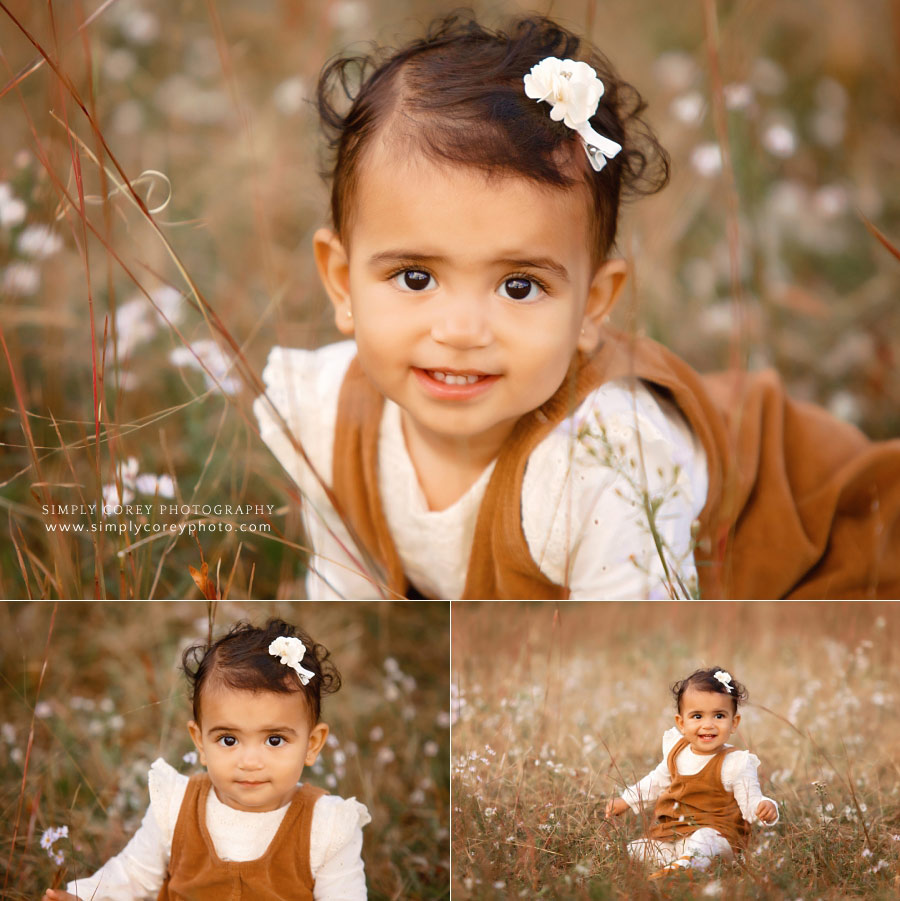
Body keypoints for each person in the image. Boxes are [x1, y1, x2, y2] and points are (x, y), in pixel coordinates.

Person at [253, 12, 900, 599]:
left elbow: (638, 651)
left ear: (593, 305)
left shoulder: (602, 463)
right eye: (416, 276)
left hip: (832, 545)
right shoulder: (330, 417)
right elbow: (349, 591)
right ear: (341, 281)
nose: (459, 330)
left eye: (519, 286)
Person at [42, 619, 370, 901]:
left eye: (275, 740)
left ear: (312, 745)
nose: (250, 761)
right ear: (200, 741)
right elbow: (132, 875)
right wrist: (85, 895)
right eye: (228, 740)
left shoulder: (327, 827)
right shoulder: (175, 807)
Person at [605, 667, 777, 880]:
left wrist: (765, 807)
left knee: (704, 841)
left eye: (719, 715)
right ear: (681, 723)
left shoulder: (735, 763)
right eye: (697, 716)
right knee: (637, 849)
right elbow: (656, 781)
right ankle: (677, 864)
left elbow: (751, 799)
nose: (708, 724)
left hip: (718, 837)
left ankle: (690, 866)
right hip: (674, 834)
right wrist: (626, 800)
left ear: (733, 723)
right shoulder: (677, 752)